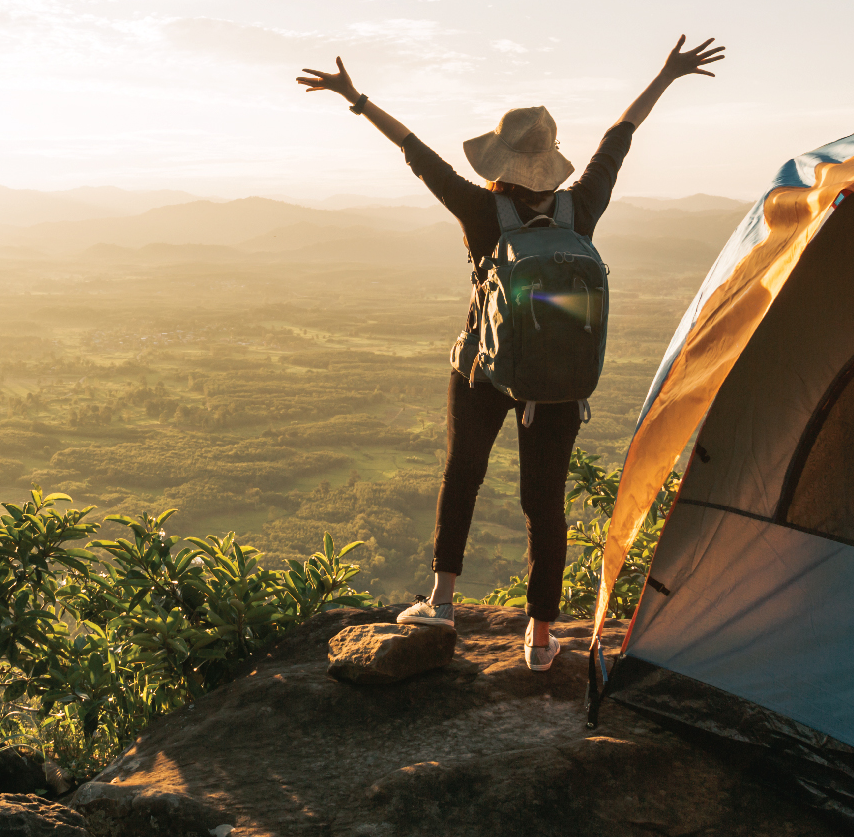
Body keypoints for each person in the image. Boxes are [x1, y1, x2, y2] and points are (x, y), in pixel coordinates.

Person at [296, 35, 725, 670]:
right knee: (543, 501)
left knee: (462, 474)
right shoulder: (582, 205)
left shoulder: (479, 208)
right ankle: (543, 635)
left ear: (500, 156)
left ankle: (441, 600)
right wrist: (666, 73)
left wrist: (356, 99)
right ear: (551, 159)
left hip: (481, 366)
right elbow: (620, 135)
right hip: (556, 380)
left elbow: (419, 154)